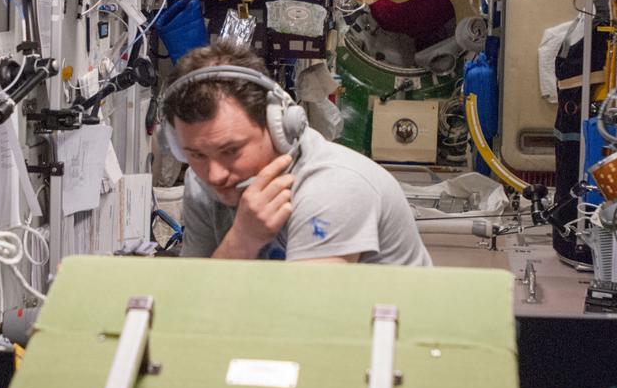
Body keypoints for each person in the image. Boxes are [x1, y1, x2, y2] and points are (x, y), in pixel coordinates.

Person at [163, 41, 432, 266]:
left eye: (231, 150)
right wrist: (242, 240)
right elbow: (196, 303)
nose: (215, 174)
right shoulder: (201, 185)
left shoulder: (333, 186)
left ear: (277, 125)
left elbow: (308, 318)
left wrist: (243, 241)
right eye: (197, 155)